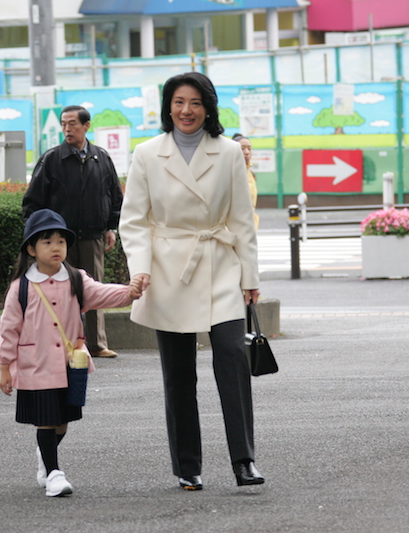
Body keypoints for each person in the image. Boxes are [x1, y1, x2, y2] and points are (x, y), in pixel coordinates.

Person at [119, 72, 263, 491]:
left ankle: (244, 460)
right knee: (178, 373)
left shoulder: (230, 152)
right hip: (168, 270)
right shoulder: (147, 154)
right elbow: (134, 221)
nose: (187, 110)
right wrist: (140, 268)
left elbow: (241, 220)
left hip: (220, 263)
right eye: (179, 102)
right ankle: (187, 466)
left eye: (196, 102)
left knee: (233, 359)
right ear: (168, 106)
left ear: (209, 107)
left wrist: (250, 276)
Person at [0, 209, 142, 497]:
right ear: (31, 249)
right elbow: (8, 329)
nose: (56, 247)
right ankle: (54, 474)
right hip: (35, 366)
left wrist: (130, 292)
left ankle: (45, 455)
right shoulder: (21, 287)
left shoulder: (76, 280)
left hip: (68, 366)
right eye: (47, 241)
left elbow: (102, 293)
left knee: (62, 421)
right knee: (46, 420)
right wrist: (5, 366)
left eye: (61, 241)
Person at [23, 105, 124, 358]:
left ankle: (96, 344)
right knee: (59, 290)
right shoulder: (51, 159)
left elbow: (114, 197)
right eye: (64, 124)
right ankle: (60, 343)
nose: (67, 129)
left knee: (94, 290)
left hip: (92, 236)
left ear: (86, 126)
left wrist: (111, 227)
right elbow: (33, 201)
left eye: (73, 124)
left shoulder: (101, 158)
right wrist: (40, 237)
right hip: (58, 240)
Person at [232, 133, 259, 230]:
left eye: (249, 148)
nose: (247, 152)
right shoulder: (229, 172)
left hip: (249, 223)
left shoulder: (249, 172)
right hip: (235, 225)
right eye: (242, 148)